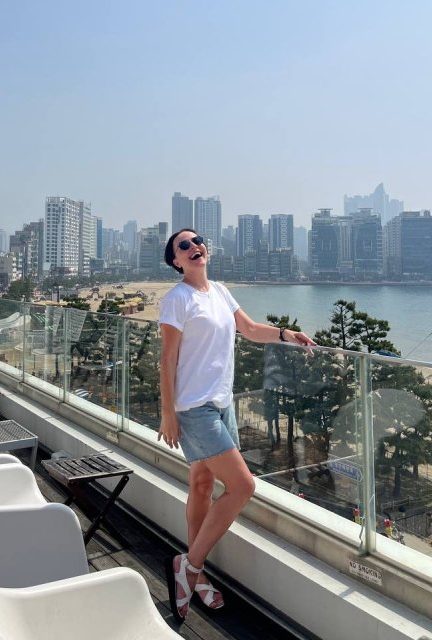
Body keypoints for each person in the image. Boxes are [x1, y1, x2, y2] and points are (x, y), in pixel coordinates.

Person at [158, 228, 315, 623]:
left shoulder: (221, 292)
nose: (194, 247)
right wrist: (168, 413)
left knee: (202, 484)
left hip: (221, 403)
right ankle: (189, 566)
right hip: (193, 409)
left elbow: (250, 329)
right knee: (243, 486)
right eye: (183, 246)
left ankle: (196, 575)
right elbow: (167, 359)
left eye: (197, 241)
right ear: (176, 261)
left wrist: (286, 335)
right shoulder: (177, 299)